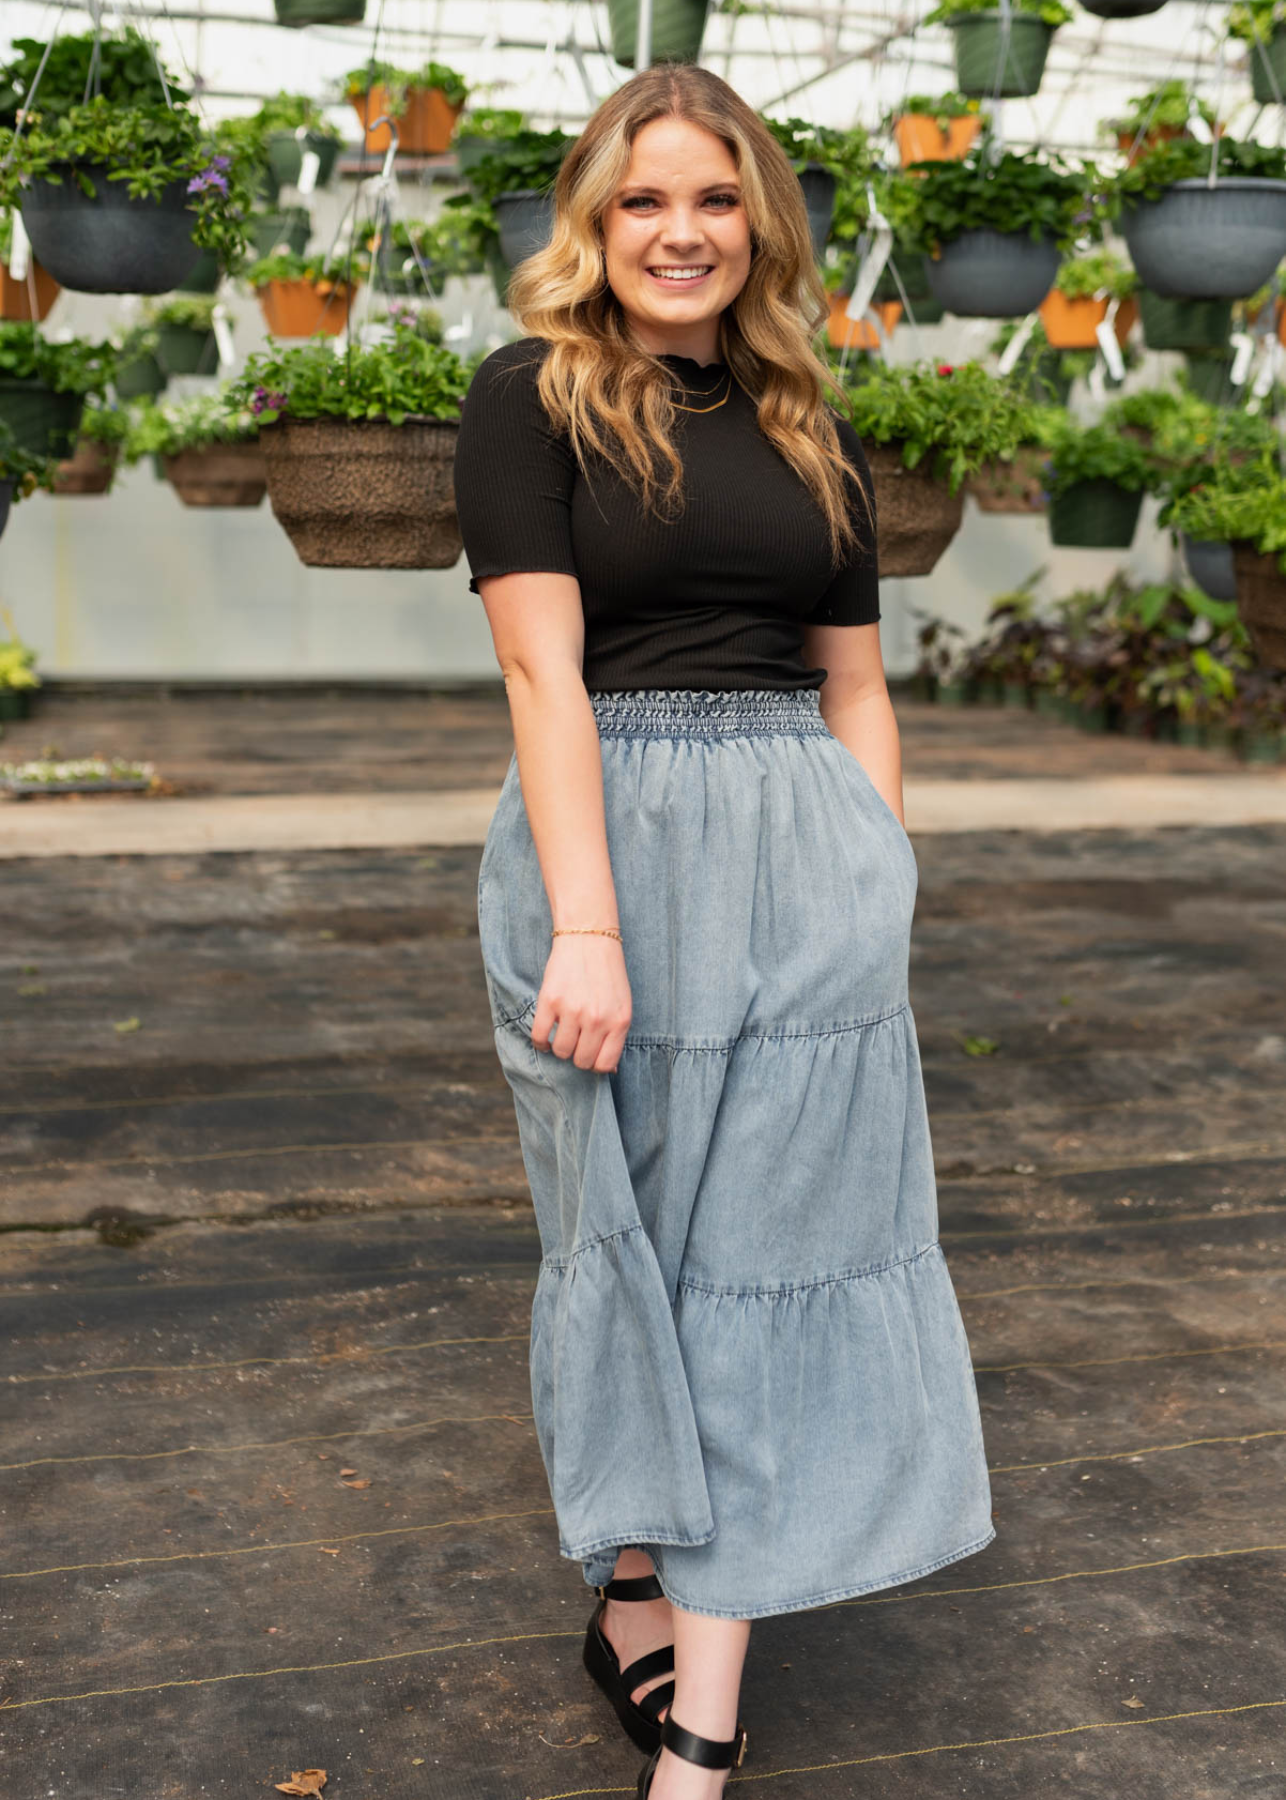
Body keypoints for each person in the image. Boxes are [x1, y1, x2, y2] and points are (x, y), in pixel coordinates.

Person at [451, 62, 995, 1800]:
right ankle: (632, 1575)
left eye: (710, 197)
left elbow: (856, 685)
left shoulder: (800, 420)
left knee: (761, 1264)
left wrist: (878, 885)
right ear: (591, 226)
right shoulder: (526, 398)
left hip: (805, 866)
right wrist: (589, 929)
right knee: (622, 1240)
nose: (677, 232)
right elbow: (541, 669)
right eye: (640, 201)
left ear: (754, 218)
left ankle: (704, 1721)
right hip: (606, 846)